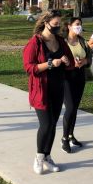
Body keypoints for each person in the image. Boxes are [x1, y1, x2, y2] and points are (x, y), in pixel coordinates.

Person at [23, 10, 75, 174]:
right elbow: (29, 67)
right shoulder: (35, 43)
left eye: (59, 24)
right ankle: (39, 157)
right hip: (41, 90)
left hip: (58, 88)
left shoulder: (60, 40)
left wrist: (66, 61)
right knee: (45, 124)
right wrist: (51, 63)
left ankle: (47, 156)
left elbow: (70, 61)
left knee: (53, 124)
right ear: (46, 23)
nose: (58, 27)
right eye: (55, 24)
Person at [61, 17, 92, 153]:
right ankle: (64, 139)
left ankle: (71, 134)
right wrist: (69, 61)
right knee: (70, 108)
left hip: (79, 77)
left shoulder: (83, 41)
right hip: (66, 78)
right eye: (77, 24)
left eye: (80, 24)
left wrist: (84, 61)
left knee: (75, 108)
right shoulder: (62, 42)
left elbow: (90, 57)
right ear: (69, 26)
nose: (79, 27)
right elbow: (58, 58)